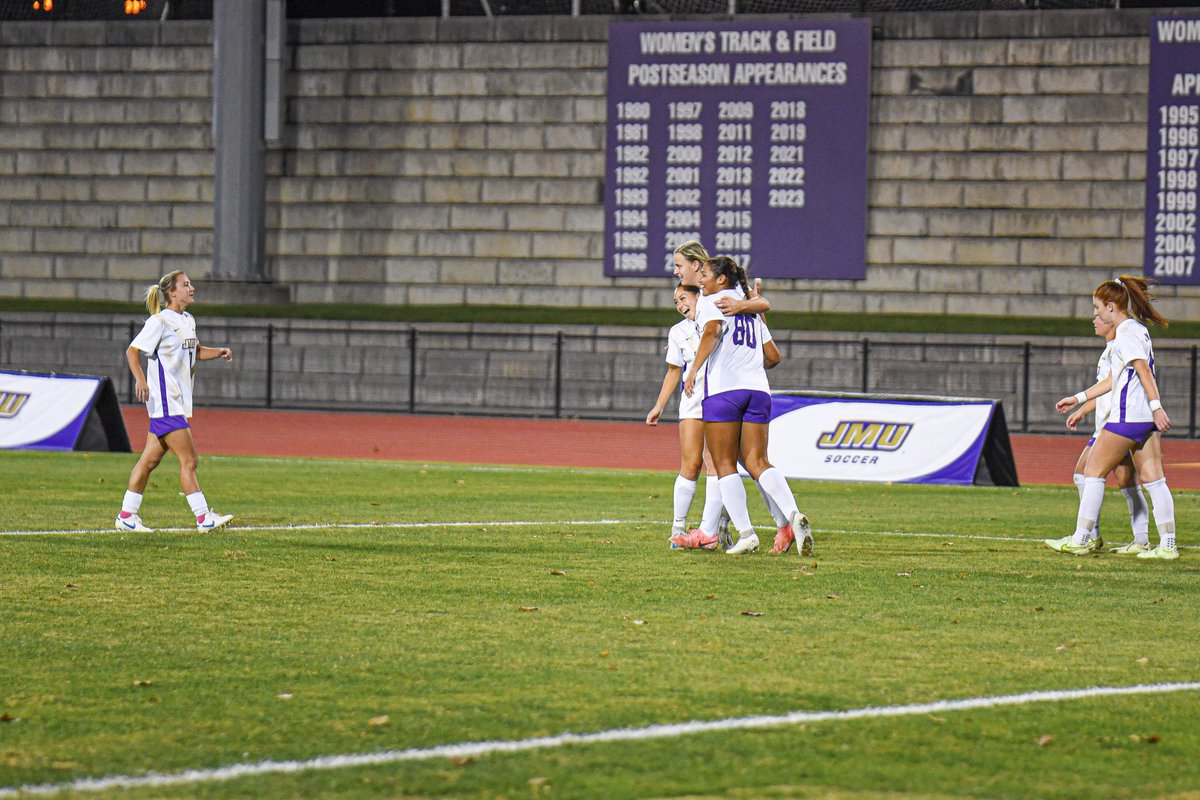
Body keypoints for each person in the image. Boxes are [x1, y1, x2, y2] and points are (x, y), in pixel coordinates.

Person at [682, 255, 812, 556]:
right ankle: (793, 516)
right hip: (758, 391)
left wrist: (694, 371)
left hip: (724, 391)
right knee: (758, 462)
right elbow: (773, 357)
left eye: (707, 276)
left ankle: (747, 533)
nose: (702, 282)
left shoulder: (712, 301)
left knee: (724, 464)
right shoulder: (748, 306)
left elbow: (713, 331)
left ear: (721, 280)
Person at [1048, 276, 1177, 560]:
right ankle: (1167, 545)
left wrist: (1157, 405)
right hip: (1143, 417)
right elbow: (1113, 379)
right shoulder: (1138, 330)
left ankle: (1082, 538)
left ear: (1110, 306)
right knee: (1154, 479)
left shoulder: (1126, 332)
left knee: (1091, 472)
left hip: (1128, 416)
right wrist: (1080, 399)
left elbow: (1143, 370)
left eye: (1097, 307)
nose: (1095, 313)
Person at [115, 271, 235, 534]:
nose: (192, 288)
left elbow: (196, 350)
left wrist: (219, 352)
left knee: (149, 461)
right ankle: (203, 518)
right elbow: (132, 351)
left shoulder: (188, 320)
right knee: (189, 460)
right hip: (165, 401)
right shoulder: (160, 321)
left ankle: (126, 515)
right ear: (172, 293)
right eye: (186, 285)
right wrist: (140, 381)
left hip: (174, 402)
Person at [1061, 312, 1152, 554]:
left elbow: (1115, 387)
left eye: (1098, 313)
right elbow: (1106, 389)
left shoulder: (1119, 346)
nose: (1094, 318)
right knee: (1127, 481)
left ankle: (1089, 536)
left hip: (1113, 425)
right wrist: (1083, 409)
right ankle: (1141, 539)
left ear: (1111, 321)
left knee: (1085, 473)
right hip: (1110, 422)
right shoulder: (1111, 349)